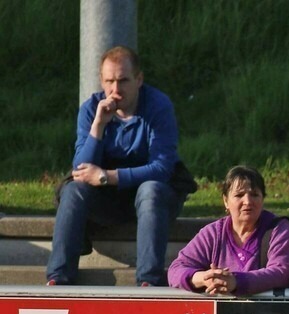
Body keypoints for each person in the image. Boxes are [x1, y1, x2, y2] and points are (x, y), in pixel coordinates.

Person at [47, 46, 194, 286]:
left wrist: (107, 176)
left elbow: (162, 168)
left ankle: (148, 281)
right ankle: (58, 278)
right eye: (109, 81)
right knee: (73, 190)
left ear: (139, 79)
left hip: (156, 200)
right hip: (108, 201)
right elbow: (82, 168)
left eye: (123, 80)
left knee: (150, 190)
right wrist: (98, 125)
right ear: (101, 81)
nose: (116, 90)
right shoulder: (91, 108)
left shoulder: (158, 106)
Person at [167, 166, 289, 295]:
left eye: (254, 195)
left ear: (263, 199)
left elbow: (282, 273)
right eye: (239, 195)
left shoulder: (279, 229)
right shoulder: (213, 233)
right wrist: (205, 278)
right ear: (226, 201)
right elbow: (176, 269)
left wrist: (236, 281)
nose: (247, 201)